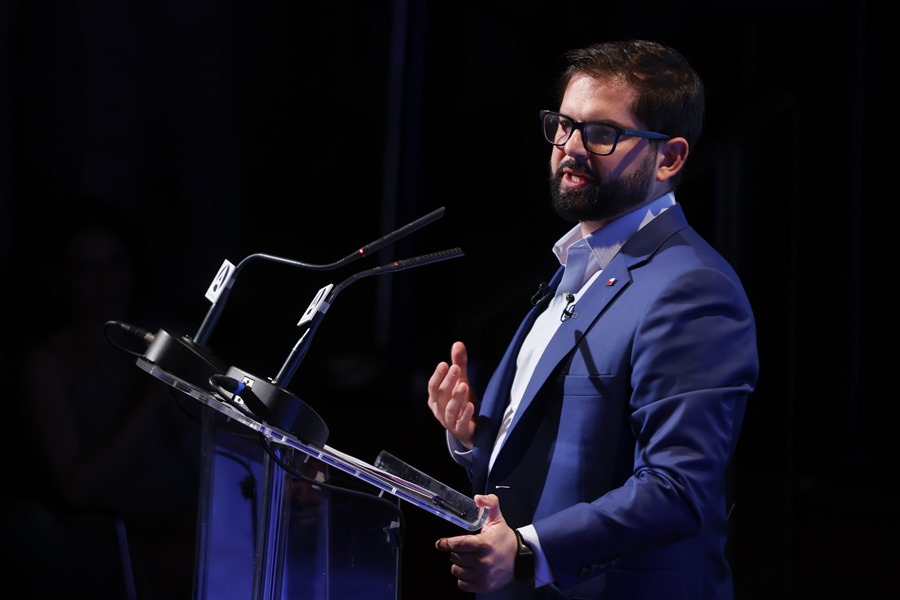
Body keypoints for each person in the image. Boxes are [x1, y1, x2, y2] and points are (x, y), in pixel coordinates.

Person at [426, 39, 758, 600]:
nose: (570, 147)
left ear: (669, 158)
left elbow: (677, 489)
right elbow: (565, 459)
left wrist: (528, 550)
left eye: (602, 133)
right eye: (563, 125)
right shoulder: (577, 265)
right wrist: (473, 438)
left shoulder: (692, 288)